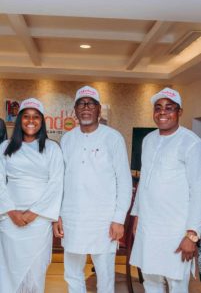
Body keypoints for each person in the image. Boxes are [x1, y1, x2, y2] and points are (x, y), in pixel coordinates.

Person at [53, 85, 132, 293]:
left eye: (90, 103)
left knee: (105, 275)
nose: (85, 107)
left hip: (104, 220)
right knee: (72, 273)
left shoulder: (113, 138)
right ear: (75, 111)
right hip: (72, 218)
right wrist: (58, 215)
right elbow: (61, 181)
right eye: (81, 103)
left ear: (98, 110)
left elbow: (124, 181)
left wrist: (118, 219)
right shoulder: (67, 139)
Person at [129, 87, 201, 293]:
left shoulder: (191, 143)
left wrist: (192, 235)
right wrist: (136, 215)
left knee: (177, 283)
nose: (162, 112)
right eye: (158, 108)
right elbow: (145, 182)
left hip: (176, 229)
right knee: (150, 280)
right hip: (149, 226)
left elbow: (198, 190)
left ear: (180, 112)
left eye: (169, 108)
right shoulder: (148, 140)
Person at [0, 98, 64, 293]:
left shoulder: (52, 148)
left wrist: (32, 213)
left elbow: (56, 184)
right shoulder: (5, 147)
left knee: (35, 271)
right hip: (9, 219)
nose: (31, 120)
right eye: (26, 116)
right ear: (19, 120)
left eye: (36, 117)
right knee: (9, 270)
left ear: (42, 121)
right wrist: (12, 212)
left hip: (38, 221)